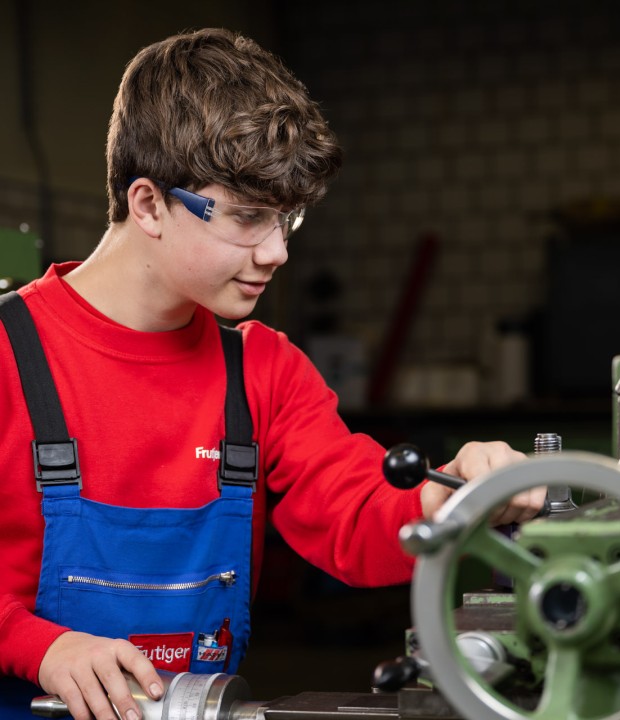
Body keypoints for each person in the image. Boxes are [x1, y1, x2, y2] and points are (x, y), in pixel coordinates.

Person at [0, 28, 545, 720]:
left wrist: (451, 499)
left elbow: (355, 511)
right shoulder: (9, 354)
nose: (278, 251)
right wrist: (40, 648)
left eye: (289, 219)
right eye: (250, 218)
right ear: (148, 205)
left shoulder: (263, 371)